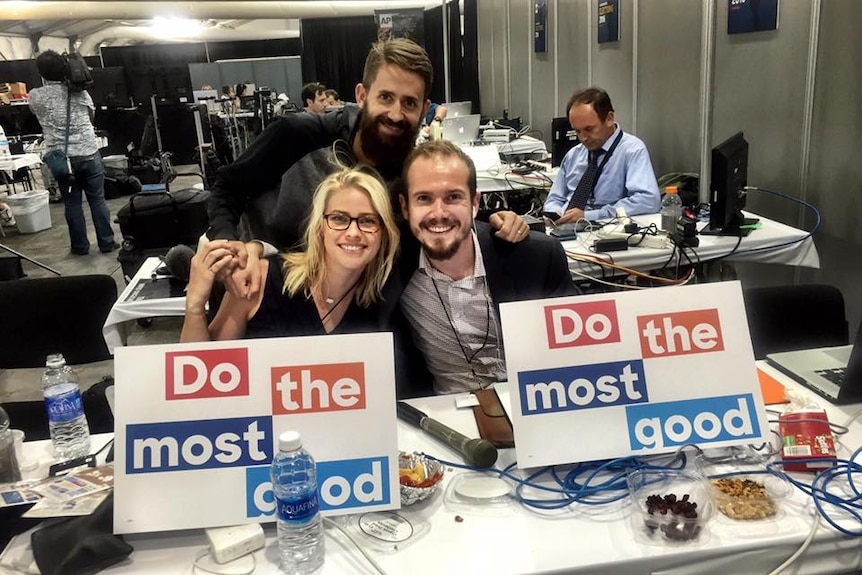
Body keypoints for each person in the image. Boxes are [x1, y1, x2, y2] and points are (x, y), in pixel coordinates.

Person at [208, 38, 527, 299]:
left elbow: (433, 215)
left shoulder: (409, 172)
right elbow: (228, 187)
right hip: (259, 287)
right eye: (385, 97)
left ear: (425, 110)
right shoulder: (297, 135)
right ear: (362, 95)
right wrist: (226, 242)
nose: (396, 114)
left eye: (409, 103)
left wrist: (493, 219)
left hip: (345, 305)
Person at [398, 140, 578, 395]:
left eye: (453, 197)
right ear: (405, 207)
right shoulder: (391, 270)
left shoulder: (535, 257)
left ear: (475, 203)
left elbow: (578, 354)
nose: (438, 213)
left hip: (534, 403)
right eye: (424, 198)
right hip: (443, 417)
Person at [181, 169, 400, 342]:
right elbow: (198, 375)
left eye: (368, 221)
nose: (353, 232)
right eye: (339, 219)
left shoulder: (380, 301)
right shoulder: (258, 280)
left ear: (383, 232)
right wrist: (194, 306)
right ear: (320, 228)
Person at [28, 50, 119, 256]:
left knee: (72, 203)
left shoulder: (35, 96)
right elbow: (91, 115)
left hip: (62, 160)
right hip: (88, 152)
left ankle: (80, 247)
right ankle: (107, 242)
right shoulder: (79, 91)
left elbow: (36, 114)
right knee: (97, 199)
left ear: (41, 72)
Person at [542, 87, 660, 225]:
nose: (583, 138)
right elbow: (554, 199)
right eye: (577, 131)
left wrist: (590, 215)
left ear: (609, 118)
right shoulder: (574, 155)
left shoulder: (632, 150)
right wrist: (554, 213)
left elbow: (648, 200)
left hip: (604, 228)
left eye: (589, 129)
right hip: (565, 228)